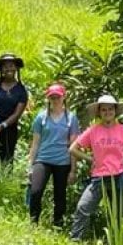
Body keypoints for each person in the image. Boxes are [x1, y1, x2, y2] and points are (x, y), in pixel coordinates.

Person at [69, 94, 123, 241]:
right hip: (99, 176)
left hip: (119, 175)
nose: (107, 112)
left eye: (110, 109)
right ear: (99, 112)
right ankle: (75, 240)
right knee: (83, 208)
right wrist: (90, 158)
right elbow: (73, 148)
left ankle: (118, 244)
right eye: (104, 110)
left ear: (115, 111)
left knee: (118, 214)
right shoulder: (93, 130)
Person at [27, 83, 80, 227]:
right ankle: (33, 223)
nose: (55, 100)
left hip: (63, 161)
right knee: (35, 191)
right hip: (43, 159)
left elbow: (74, 146)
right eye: (52, 97)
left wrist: (73, 170)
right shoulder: (41, 117)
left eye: (58, 97)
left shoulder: (71, 118)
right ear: (48, 99)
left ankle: (58, 224)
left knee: (60, 196)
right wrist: (30, 166)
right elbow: (35, 143)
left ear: (64, 97)